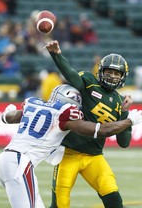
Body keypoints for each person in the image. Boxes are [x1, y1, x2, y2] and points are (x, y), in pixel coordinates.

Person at [0, 84, 142, 208]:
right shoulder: (64, 114)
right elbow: (101, 130)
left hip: (3, 160)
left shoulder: (34, 104)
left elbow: (10, 117)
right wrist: (129, 121)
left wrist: (5, 113)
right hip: (20, 163)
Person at [45, 40, 133, 208]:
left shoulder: (120, 102)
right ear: (101, 71)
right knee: (60, 204)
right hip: (67, 154)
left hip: (94, 156)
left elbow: (124, 143)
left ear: (122, 77)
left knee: (113, 195)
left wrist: (125, 112)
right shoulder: (89, 82)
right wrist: (56, 54)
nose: (113, 76)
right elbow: (70, 74)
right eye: (109, 71)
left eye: (117, 74)